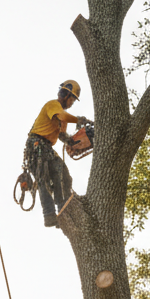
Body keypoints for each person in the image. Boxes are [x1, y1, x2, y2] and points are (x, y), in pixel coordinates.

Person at [24, 79, 89, 228]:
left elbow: (61, 135)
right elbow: (62, 116)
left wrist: (72, 142)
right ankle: (49, 214)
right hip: (36, 145)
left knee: (64, 175)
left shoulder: (63, 116)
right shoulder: (53, 105)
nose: (72, 103)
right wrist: (78, 119)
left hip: (47, 148)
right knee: (43, 177)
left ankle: (62, 209)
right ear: (65, 94)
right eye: (72, 99)